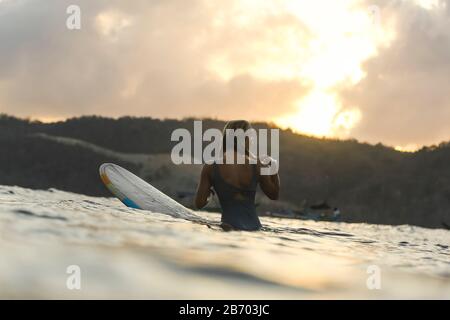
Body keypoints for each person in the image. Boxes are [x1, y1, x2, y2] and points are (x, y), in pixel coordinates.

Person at [194, 120, 280, 231]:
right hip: (254, 227)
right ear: (245, 139)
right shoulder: (258, 165)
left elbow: (199, 203)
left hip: (228, 226)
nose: (252, 141)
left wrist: (209, 194)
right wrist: (274, 168)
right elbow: (274, 194)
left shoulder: (210, 167)